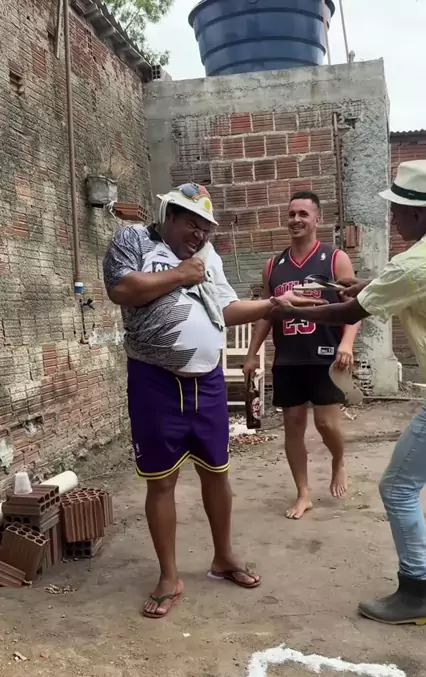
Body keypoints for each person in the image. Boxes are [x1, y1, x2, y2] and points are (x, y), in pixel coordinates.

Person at [272, 160, 426, 625]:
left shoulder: (415, 263)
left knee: (399, 487)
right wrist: (365, 285)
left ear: (417, 214)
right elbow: (409, 284)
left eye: (397, 211)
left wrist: (290, 309)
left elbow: (350, 313)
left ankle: (416, 593)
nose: (394, 219)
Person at [103, 183, 292, 618]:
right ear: (169, 214)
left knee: (216, 472)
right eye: (192, 224)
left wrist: (273, 305)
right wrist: (180, 274)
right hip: (154, 381)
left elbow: (226, 309)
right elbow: (122, 289)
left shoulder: (208, 257)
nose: (200, 235)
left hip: (206, 383)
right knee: (161, 481)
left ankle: (223, 557)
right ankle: (169, 576)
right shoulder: (133, 239)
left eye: (206, 228)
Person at [243, 191, 360, 519]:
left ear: (317, 219)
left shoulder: (334, 259)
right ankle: (303, 493)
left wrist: (347, 343)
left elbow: (354, 308)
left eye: (303, 214)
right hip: (288, 358)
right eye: (292, 214)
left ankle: (338, 459)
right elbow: (266, 314)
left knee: (325, 423)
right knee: (293, 426)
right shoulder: (273, 266)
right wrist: (252, 354)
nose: (296, 219)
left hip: (326, 355)